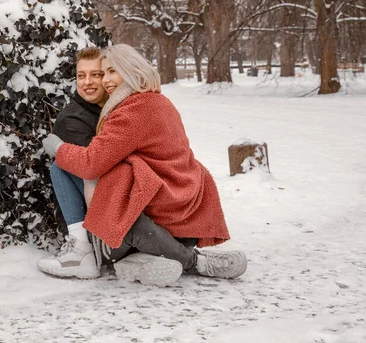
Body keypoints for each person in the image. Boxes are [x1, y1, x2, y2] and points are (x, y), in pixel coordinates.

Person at [41, 44, 247, 286]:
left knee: (64, 166)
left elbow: (91, 164)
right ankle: (140, 262)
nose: (105, 80)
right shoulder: (159, 102)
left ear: (130, 70)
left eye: (110, 72)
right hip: (180, 220)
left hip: (143, 225)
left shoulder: (131, 111)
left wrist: (57, 147)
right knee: (109, 176)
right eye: (102, 73)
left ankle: (193, 262)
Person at [36, 47, 108, 279]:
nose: (87, 82)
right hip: (103, 207)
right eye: (81, 76)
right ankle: (81, 247)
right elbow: (98, 171)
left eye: (96, 74)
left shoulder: (117, 107)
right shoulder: (72, 120)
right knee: (62, 165)